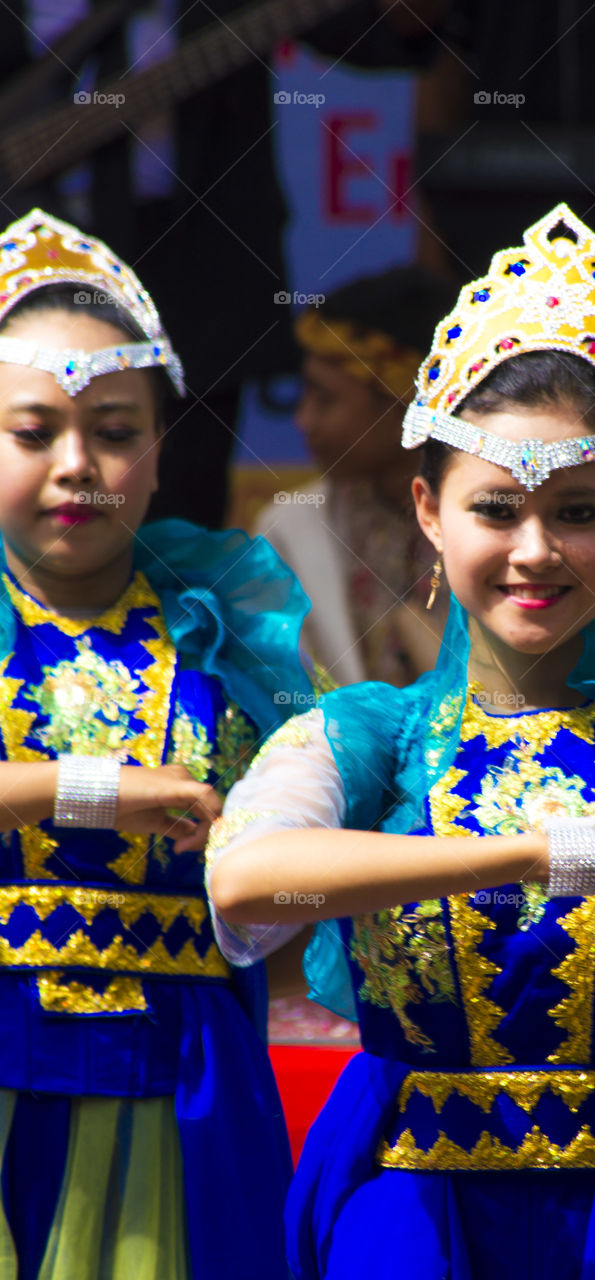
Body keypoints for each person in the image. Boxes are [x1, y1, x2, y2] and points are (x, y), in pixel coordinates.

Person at [207, 202, 595, 1279]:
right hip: (411, 1235)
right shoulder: (362, 740)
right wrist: (551, 855)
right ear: (429, 508)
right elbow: (242, 886)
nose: (535, 550)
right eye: (497, 507)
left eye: (580, 510)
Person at [0, 208, 313, 1279]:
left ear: (163, 444)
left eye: (117, 431)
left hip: (184, 1083)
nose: (79, 465)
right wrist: (94, 788)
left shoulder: (223, 629)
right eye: (33, 432)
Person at [256, 265, 458, 687]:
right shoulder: (290, 529)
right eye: (304, 393)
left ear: (405, 404)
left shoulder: (497, 528)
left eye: (325, 399)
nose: (303, 419)